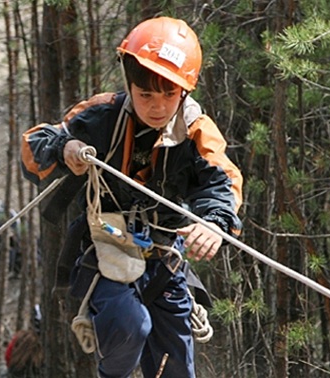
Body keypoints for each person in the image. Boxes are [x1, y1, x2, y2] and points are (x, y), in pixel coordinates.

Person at [20, 17, 243, 378]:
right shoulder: (102, 115)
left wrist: (215, 224)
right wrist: (66, 149)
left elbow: (223, 182)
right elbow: (33, 147)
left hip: (165, 258)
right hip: (108, 250)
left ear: (185, 91)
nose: (158, 106)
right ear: (129, 83)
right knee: (130, 325)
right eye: (146, 95)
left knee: (176, 368)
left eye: (169, 94)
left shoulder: (196, 130)